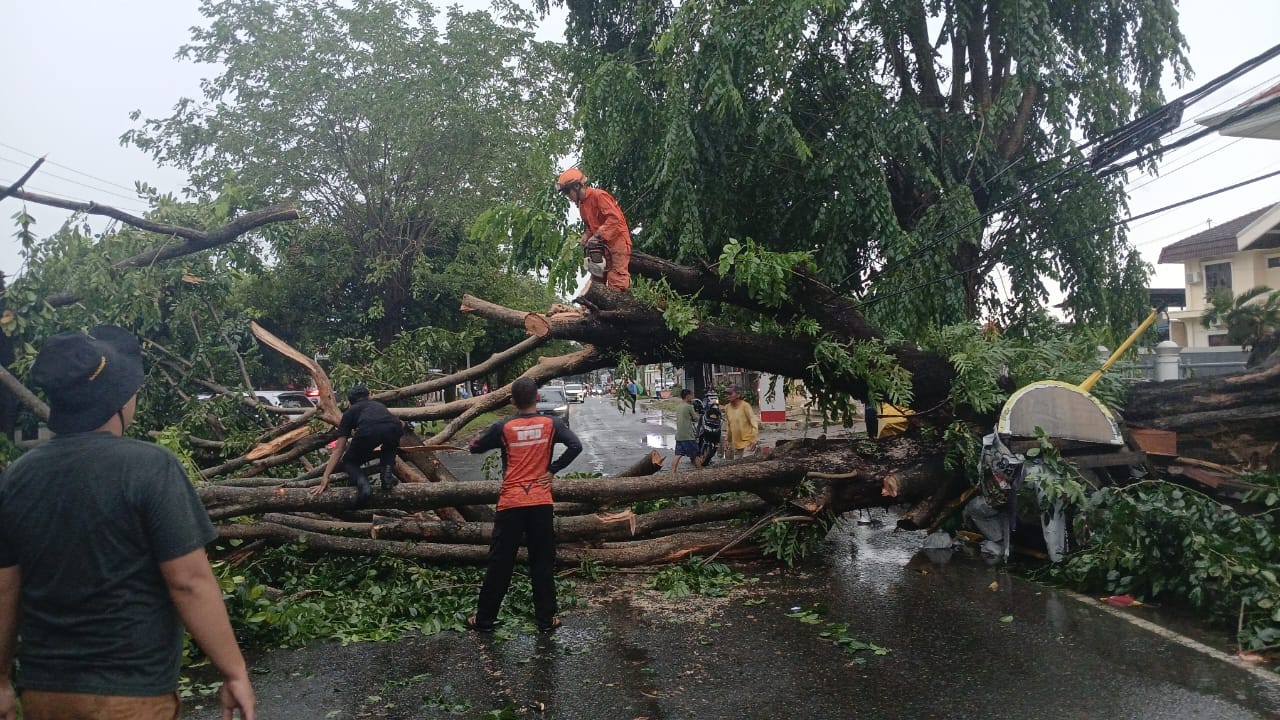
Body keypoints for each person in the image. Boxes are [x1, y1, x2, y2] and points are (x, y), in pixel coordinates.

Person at [0, 326, 255, 720]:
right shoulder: (150, 467)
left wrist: (1, 681)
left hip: (44, 694)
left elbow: (5, 590)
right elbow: (188, 581)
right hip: (131, 695)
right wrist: (234, 670)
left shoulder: (17, 477)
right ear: (117, 399)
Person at [466, 378, 581, 633]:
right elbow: (576, 445)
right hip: (540, 502)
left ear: (513, 401)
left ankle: (484, 619)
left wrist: (479, 438)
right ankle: (546, 620)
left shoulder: (504, 426)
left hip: (511, 503)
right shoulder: (551, 424)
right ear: (537, 398)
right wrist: (553, 470)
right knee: (542, 562)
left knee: (500, 562)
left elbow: (474, 447)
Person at [311, 383, 404, 504]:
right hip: (394, 427)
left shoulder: (349, 413)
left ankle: (363, 485)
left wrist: (325, 476)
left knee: (349, 461)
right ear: (368, 396)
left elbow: (339, 448)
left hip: (368, 432)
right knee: (390, 446)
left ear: (350, 401)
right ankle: (386, 476)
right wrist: (406, 425)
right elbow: (396, 422)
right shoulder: (378, 405)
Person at [556, 167, 632, 292]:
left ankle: (618, 308)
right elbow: (591, 227)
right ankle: (594, 306)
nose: (567, 196)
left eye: (567, 192)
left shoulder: (599, 195)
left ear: (576, 186)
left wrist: (597, 236)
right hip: (601, 245)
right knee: (596, 277)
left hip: (617, 242)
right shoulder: (582, 205)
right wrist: (586, 236)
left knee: (617, 279)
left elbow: (615, 219)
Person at [722, 384, 760, 459]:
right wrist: (727, 440)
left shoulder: (745, 406)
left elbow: (754, 423)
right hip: (736, 444)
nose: (728, 396)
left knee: (747, 466)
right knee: (738, 466)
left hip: (748, 443)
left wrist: (754, 439)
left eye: (730, 393)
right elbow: (729, 426)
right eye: (727, 394)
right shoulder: (727, 408)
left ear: (738, 395)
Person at [672, 389, 700, 473]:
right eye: (691, 395)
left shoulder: (679, 406)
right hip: (688, 435)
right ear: (687, 396)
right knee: (695, 454)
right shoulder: (689, 406)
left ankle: (672, 472)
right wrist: (697, 416)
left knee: (678, 454)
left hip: (679, 435)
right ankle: (701, 472)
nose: (692, 397)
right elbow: (696, 418)